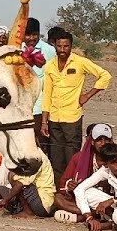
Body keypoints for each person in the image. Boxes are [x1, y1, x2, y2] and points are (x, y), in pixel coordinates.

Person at [40, 29, 111, 183]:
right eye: (59, 46)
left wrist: (87, 95)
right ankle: (58, 190)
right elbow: (47, 94)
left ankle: (72, 188)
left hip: (72, 117)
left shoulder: (80, 62)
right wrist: (44, 121)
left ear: (71, 46)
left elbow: (105, 75)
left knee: (72, 156)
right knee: (56, 157)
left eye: (66, 46)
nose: (62, 50)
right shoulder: (50, 66)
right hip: (54, 118)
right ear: (55, 46)